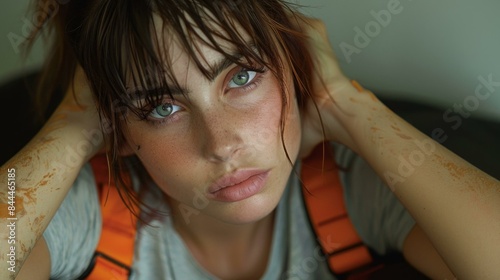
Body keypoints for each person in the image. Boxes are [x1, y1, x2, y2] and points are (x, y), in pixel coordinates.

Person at [1, 0, 499, 279]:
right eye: (162, 107)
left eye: (241, 77)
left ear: (294, 71)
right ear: (119, 129)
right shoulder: (90, 211)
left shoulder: (351, 186)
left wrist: (343, 102)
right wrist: (71, 127)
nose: (221, 143)